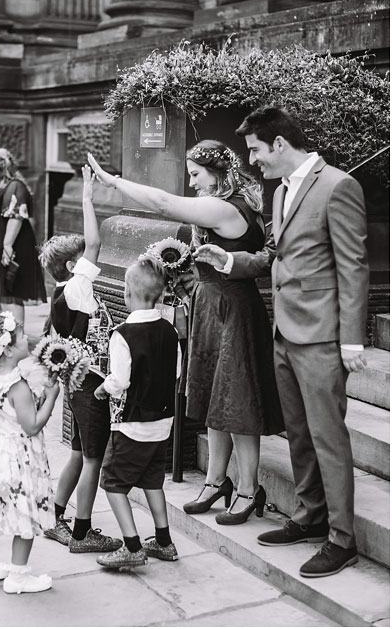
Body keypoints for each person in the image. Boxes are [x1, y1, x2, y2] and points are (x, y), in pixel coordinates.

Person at [199, 105, 369, 580]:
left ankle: (342, 540)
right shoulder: (279, 194)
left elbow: (354, 267)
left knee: (327, 437)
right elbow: (276, 257)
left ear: (278, 144)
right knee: (297, 433)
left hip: (321, 338)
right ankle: (311, 516)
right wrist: (229, 261)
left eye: (255, 150)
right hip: (285, 333)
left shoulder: (338, 186)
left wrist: (352, 341)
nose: (252, 161)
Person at [86, 141, 283, 527]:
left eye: (196, 174)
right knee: (213, 397)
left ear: (217, 172)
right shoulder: (219, 203)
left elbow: (161, 202)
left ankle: (248, 488)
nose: (192, 183)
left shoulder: (227, 208)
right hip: (210, 308)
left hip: (234, 311)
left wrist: (112, 181)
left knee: (239, 401)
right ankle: (215, 482)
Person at [40, 167, 122, 556]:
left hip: (76, 382)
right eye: (80, 259)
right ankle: (81, 532)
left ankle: (56, 518)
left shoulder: (60, 292)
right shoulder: (76, 286)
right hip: (89, 385)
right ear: (72, 267)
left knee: (77, 451)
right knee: (94, 458)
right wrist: (87, 198)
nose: (89, 260)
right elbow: (94, 244)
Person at [92, 260, 182, 571]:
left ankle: (131, 547)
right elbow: (178, 371)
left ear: (128, 293)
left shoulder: (123, 334)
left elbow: (120, 380)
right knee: (152, 480)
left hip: (132, 425)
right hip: (163, 423)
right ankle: (164, 541)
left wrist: (103, 388)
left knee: (114, 483)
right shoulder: (170, 331)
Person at [0, 312, 61, 595]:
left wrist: (41, 393)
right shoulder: (17, 386)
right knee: (25, 512)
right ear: (7, 349)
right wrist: (52, 398)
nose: (27, 337)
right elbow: (31, 425)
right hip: (20, 456)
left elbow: (14, 414)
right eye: (20, 335)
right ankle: (18, 575)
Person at [0, 148, 45, 329]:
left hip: (13, 243)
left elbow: (16, 217)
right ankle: (7, 331)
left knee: (12, 290)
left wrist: (7, 246)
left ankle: (16, 334)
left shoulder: (15, 185)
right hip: (1, 240)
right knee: (4, 292)